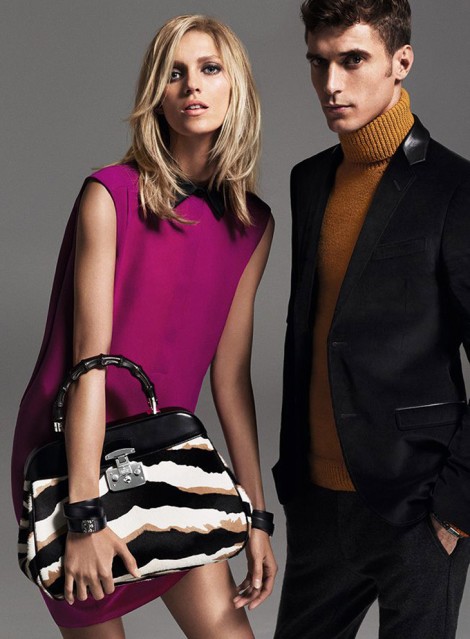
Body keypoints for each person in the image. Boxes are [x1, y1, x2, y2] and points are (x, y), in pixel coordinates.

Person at [12, 14, 277, 639]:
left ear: (235, 85)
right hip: (72, 453)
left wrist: (256, 517)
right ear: (156, 92)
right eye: (174, 73)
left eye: (209, 69)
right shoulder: (109, 195)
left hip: (166, 456)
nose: (192, 86)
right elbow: (89, 365)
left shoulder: (253, 224)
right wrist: (84, 514)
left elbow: (231, 380)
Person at [273, 1, 470, 637]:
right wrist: (295, 483)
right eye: (318, 62)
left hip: (417, 509)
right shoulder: (309, 182)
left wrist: (454, 507)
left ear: (400, 61)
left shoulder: (454, 188)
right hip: (318, 504)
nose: (331, 84)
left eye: (353, 60)